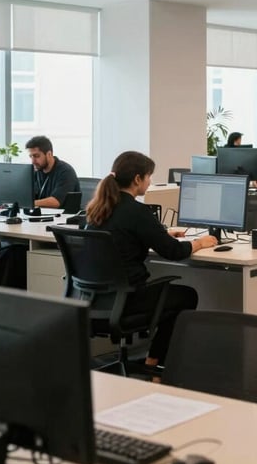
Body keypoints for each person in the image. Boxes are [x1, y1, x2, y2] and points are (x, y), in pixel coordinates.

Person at [85, 151, 218, 366]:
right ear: (137, 179)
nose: (150, 181)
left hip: (95, 300)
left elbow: (125, 235)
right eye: (149, 176)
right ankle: (155, 360)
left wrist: (160, 234)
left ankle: (154, 358)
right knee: (186, 296)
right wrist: (199, 243)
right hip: (127, 299)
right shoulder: (137, 211)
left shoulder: (97, 209)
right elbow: (173, 252)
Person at [26, 135, 80, 209]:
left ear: (49, 154)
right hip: (42, 216)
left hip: (63, 218)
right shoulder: (37, 171)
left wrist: (28, 203)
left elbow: (56, 202)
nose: (33, 161)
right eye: (31, 156)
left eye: (36, 156)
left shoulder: (66, 171)